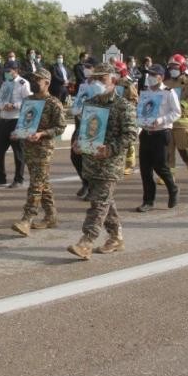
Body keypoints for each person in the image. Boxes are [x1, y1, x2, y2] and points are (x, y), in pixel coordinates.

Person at [67, 63, 136, 259]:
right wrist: (79, 143)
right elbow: (85, 129)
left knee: (98, 202)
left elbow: (130, 134)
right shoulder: (92, 103)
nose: (97, 82)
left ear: (113, 80)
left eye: (102, 79)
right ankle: (116, 238)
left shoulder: (124, 106)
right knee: (106, 201)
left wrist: (110, 149)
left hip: (110, 164)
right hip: (91, 162)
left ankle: (86, 241)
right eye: (94, 79)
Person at [11, 68, 66, 235]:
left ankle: (27, 219)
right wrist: (17, 132)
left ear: (47, 83)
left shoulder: (54, 103)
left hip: (43, 148)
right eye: (33, 80)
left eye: (38, 80)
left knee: (35, 184)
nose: (34, 83)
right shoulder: (28, 101)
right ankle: (51, 216)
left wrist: (42, 134)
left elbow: (61, 127)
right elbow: (24, 122)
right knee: (42, 183)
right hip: (29, 147)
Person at [135, 65, 181, 213]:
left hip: (161, 133)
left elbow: (176, 112)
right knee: (145, 169)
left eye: (153, 75)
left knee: (160, 166)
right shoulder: (145, 92)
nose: (150, 77)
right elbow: (140, 110)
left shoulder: (169, 92)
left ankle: (173, 188)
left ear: (160, 77)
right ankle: (148, 200)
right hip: (146, 133)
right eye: (149, 74)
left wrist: (161, 120)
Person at [0, 60, 31, 188]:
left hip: (16, 120)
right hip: (3, 120)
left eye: (9, 71)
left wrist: (15, 105)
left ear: (16, 70)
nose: (6, 73)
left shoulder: (23, 83)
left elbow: (28, 102)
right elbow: (2, 100)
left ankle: (19, 179)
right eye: (5, 71)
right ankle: (0, 177)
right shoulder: (5, 84)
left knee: (18, 151)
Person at [164, 53, 188, 184]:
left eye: (175, 66)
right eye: (171, 66)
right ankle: (169, 176)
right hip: (168, 122)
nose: (172, 69)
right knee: (168, 151)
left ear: (182, 67)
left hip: (183, 122)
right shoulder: (166, 82)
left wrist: (180, 106)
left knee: (185, 150)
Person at [70, 57, 99, 197]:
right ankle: (85, 182)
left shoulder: (99, 87)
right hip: (80, 123)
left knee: (89, 157)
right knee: (75, 155)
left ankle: (93, 188)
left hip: (92, 125)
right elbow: (78, 101)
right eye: (85, 66)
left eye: (89, 66)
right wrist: (76, 109)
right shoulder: (83, 85)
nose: (86, 69)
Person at [113, 60, 139, 175]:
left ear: (122, 72)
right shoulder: (112, 83)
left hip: (125, 115)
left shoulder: (128, 84)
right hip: (114, 114)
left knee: (128, 141)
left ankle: (130, 164)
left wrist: (126, 108)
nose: (114, 73)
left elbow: (134, 99)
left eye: (116, 71)